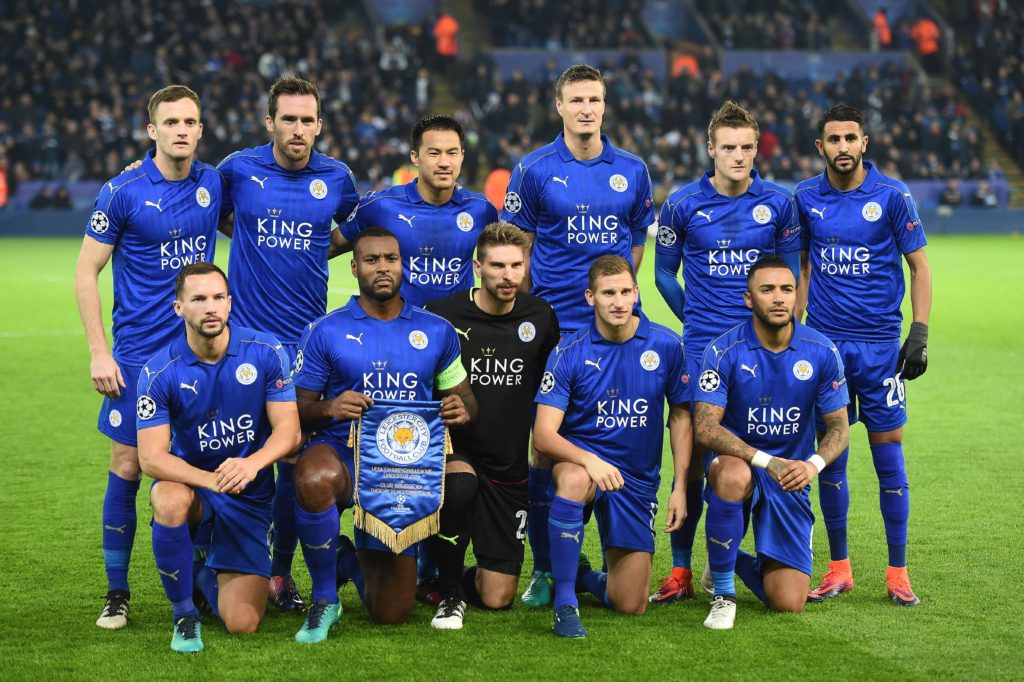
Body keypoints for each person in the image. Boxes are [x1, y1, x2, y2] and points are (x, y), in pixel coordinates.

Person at [500, 64, 657, 605]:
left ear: (605, 105)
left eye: (595, 98)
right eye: (577, 100)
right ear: (560, 107)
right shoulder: (534, 169)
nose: (587, 108)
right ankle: (546, 569)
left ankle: (602, 546)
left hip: (612, 326)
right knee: (544, 448)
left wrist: (615, 294)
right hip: (551, 327)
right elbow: (515, 248)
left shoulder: (632, 170)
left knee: (615, 425)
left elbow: (634, 244)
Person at [74, 85, 226, 629]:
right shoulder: (122, 191)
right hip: (137, 357)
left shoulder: (213, 182)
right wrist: (99, 352)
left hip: (196, 355)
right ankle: (117, 593)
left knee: (201, 466)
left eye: (191, 121)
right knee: (129, 465)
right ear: (151, 130)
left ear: (201, 129)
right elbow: (85, 271)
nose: (182, 130)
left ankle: (203, 582)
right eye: (171, 122)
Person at [289, 227, 477, 642]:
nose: (383, 267)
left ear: (403, 265)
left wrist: (461, 409)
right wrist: (330, 408)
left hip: (407, 470)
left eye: (390, 258)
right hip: (344, 453)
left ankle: (347, 562)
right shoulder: (326, 330)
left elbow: (465, 398)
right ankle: (324, 599)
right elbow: (296, 412)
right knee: (314, 475)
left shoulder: (436, 331)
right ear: (354, 267)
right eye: (371, 260)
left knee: (392, 612)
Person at [217, 76, 360, 611]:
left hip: (305, 348)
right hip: (245, 344)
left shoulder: (336, 177)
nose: (298, 130)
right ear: (269, 122)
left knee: (292, 461)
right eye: (289, 119)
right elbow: (216, 211)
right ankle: (221, 567)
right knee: (229, 453)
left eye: (308, 120)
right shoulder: (238, 169)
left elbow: (354, 229)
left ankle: (277, 574)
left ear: (320, 125)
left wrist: (313, 252)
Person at [651, 101, 801, 603]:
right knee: (691, 458)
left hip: (764, 349)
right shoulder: (680, 204)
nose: (738, 156)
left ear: (757, 149)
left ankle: (751, 556)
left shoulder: (778, 204)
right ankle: (680, 570)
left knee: (756, 447)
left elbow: (793, 275)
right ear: (710, 149)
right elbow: (661, 273)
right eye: (728, 147)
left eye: (746, 148)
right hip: (700, 349)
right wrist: (693, 319)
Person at [794, 103, 932, 606]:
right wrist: (796, 327)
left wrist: (918, 332)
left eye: (851, 138)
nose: (843, 148)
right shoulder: (806, 197)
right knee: (830, 457)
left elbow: (919, 266)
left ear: (864, 143)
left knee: (888, 456)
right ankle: (839, 569)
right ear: (821, 147)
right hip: (826, 347)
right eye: (834, 140)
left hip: (879, 349)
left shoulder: (893, 196)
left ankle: (898, 573)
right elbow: (804, 266)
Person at [136, 263, 301, 652]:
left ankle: (201, 570)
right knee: (168, 498)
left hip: (250, 496)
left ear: (229, 303)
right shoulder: (159, 372)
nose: (210, 307)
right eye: (198, 299)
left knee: (242, 624)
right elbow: (151, 459)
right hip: (198, 488)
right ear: (179, 308)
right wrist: (210, 481)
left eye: (217, 298)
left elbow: (289, 432)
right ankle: (184, 614)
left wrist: (252, 463)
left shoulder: (265, 350)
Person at [533, 255, 692, 638]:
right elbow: (544, 436)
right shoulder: (569, 352)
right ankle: (565, 603)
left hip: (635, 481)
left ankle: (583, 576)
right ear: (591, 297)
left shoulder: (667, 346)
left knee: (630, 603)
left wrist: (681, 487)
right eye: (608, 293)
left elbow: (682, 417)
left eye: (625, 292)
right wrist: (591, 460)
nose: (619, 302)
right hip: (583, 466)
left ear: (637, 293)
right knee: (572, 479)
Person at [695, 255, 850, 630]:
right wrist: (765, 460)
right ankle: (724, 594)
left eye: (787, 289)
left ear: (798, 296)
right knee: (733, 475)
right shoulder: (723, 350)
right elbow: (705, 428)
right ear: (749, 299)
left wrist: (811, 465)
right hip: (739, 464)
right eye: (767, 290)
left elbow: (840, 428)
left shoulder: (822, 350)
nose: (779, 298)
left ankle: (724, 554)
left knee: (788, 603)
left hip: (790, 476)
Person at [422, 222, 560, 629]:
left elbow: (553, 385)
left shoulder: (541, 315)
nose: (508, 275)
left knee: (497, 598)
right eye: (498, 265)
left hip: (508, 466)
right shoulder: (441, 315)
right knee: (460, 485)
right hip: (454, 453)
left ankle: (444, 579)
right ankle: (448, 596)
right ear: (478, 266)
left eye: (516, 265)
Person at [337, 114, 498, 308]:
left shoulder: (481, 209)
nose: (445, 162)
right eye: (434, 153)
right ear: (415, 156)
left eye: (452, 152)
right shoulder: (381, 206)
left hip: (456, 334)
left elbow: (499, 269)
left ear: (462, 155)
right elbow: (330, 246)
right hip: (399, 332)